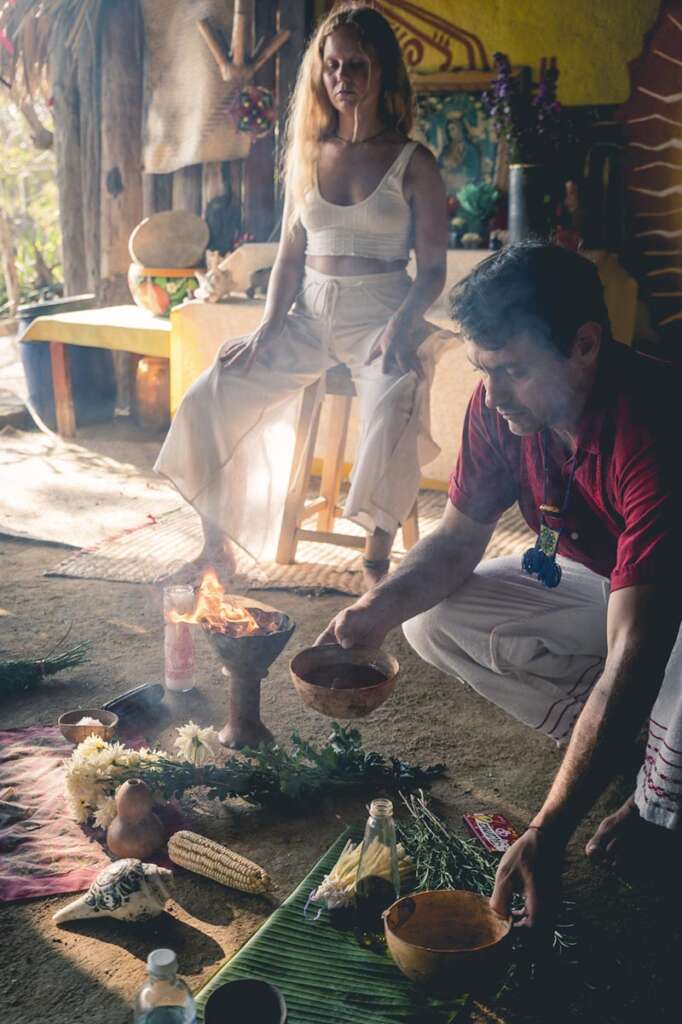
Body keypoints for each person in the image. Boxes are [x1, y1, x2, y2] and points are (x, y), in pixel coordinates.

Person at [318, 242, 682, 940]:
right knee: (431, 618)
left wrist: (549, 828)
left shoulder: (656, 427)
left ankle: (658, 798)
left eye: (513, 370)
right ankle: (637, 749)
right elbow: (455, 545)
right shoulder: (500, 408)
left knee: (666, 662)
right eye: (483, 370)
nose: (492, 395)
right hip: (610, 580)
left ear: (584, 345)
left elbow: (638, 646)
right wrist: (374, 610)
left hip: (674, 601)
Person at [155, 4, 447, 589]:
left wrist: (403, 324)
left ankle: (374, 564)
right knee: (216, 386)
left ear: (383, 70)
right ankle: (218, 549)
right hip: (308, 316)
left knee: (396, 394)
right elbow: (290, 255)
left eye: (357, 65)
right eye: (332, 66)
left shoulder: (414, 162)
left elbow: (433, 270)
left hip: (381, 316)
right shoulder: (310, 153)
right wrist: (268, 325)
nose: (343, 78)